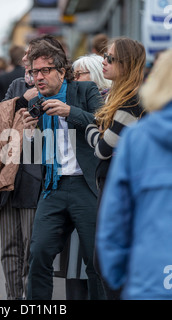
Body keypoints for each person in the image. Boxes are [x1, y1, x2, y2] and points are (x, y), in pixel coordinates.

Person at [23, 39, 105, 300]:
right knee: (38, 254)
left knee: (95, 261)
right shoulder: (36, 102)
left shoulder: (85, 90)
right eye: (35, 72)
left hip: (85, 184)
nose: (39, 77)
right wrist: (28, 133)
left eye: (45, 70)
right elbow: (35, 152)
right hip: (54, 186)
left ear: (61, 70)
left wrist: (71, 111)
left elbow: (105, 125)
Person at [96, 49, 172, 300]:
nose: (104, 62)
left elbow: (115, 221)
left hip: (152, 280)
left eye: (110, 58)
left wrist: (119, 277)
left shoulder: (138, 139)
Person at [0, 35, 69, 300]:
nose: (26, 60)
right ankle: (13, 299)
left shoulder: (59, 89)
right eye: (28, 56)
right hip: (8, 177)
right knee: (9, 248)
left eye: (33, 56)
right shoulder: (17, 85)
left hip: (35, 177)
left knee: (32, 249)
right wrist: (22, 101)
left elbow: (47, 135)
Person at [85, 37, 146, 299]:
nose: (104, 62)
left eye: (110, 58)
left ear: (126, 64)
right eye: (104, 56)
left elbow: (102, 149)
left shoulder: (131, 101)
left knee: (106, 261)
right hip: (115, 184)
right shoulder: (119, 96)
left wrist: (86, 125)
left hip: (121, 188)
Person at [55, 53, 112, 300]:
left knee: (93, 261)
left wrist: (72, 113)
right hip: (73, 183)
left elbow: (103, 136)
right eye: (73, 74)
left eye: (80, 74)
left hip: (95, 187)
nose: (75, 79)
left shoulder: (108, 102)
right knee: (74, 265)